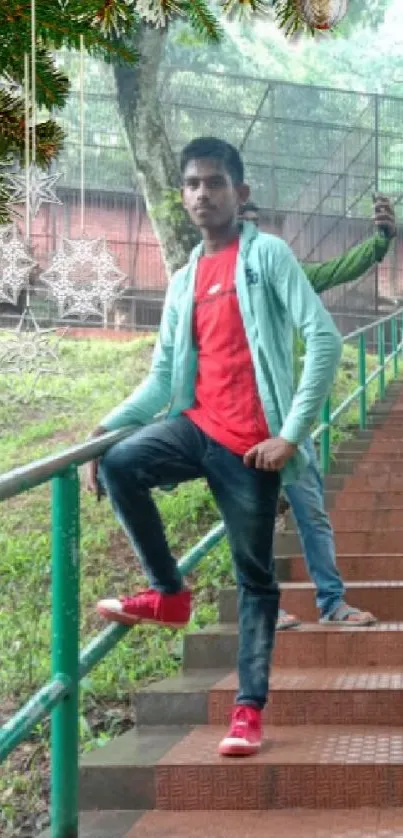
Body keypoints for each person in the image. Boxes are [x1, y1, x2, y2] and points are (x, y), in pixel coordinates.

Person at [86, 137, 342, 757]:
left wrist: (289, 435)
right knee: (120, 462)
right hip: (195, 426)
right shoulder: (184, 279)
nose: (204, 193)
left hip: (253, 446)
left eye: (216, 182)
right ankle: (169, 593)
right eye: (194, 184)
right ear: (182, 196)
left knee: (254, 578)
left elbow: (325, 340)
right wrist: (103, 427)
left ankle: (248, 710)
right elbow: (162, 376)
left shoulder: (268, 257)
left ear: (240, 193)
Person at [239, 196, 396, 629]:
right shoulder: (209, 280)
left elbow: (337, 270)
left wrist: (380, 241)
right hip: (238, 421)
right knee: (255, 515)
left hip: (288, 421)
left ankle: (332, 602)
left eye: (255, 224)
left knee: (312, 511)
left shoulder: (282, 270)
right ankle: (263, 607)